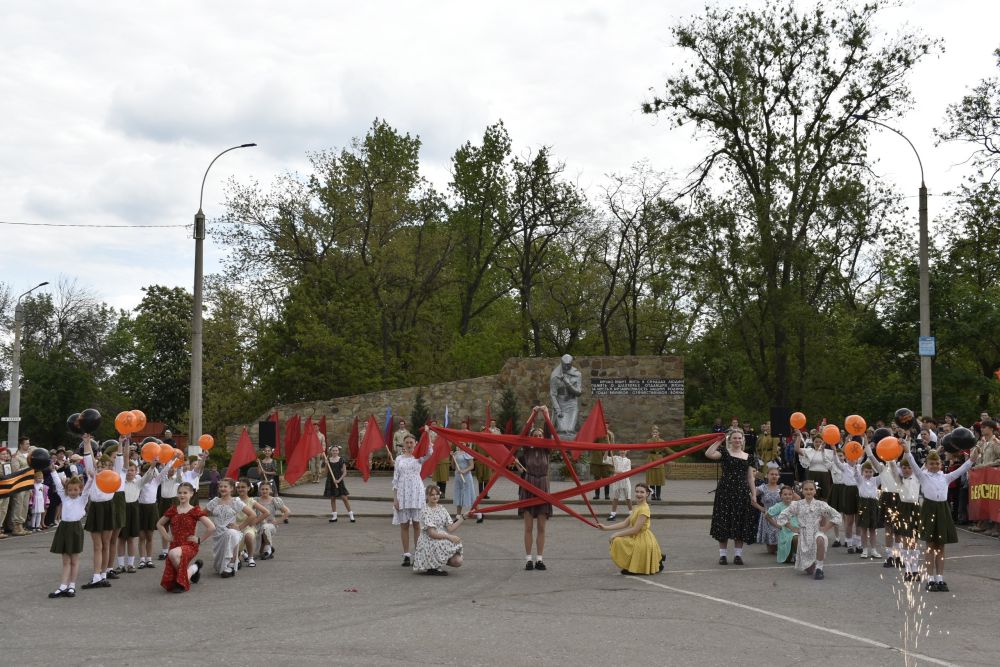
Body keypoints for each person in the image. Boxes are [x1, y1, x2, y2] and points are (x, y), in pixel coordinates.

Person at [903, 439, 978, 592]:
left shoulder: (946, 477)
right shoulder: (923, 476)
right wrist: (906, 451)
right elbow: (913, 464)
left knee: (941, 546)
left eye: (937, 464)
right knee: (930, 546)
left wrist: (972, 459)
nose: (935, 466)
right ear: (928, 465)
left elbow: (962, 469)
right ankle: (930, 578)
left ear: (940, 465)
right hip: (929, 509)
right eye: (931, 464)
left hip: (942, 510)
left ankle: (940, 578)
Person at [705, 430, 757, 565]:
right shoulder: (725, 453)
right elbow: (709, 454)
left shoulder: (749, 456)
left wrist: (754, 494)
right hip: (725, 491)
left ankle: (738, 555)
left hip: (741, 492)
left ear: (743, 440)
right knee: (724, 521)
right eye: (735, 438)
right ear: (730, 440)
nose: (738, 440)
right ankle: (722, 555)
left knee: (740, 522)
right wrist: (719, 441)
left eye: (740, 438)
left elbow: (750, 478)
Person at [775, 480, 842, 580]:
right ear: (802, 491)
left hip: (816, 531)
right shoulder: (797, 505)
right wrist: (792, 528)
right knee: (809, 570)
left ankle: (820, 568)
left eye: (811, 489)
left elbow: (836, 516)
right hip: (804, 535)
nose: (809, 491)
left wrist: (825, 528)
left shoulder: (820, 504)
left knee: (820, 539)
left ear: (815, 491)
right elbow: (782, 517)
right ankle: (810, 565)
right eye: (806, 489)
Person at [80, 434, 123, 589]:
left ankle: (103, 575)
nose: (102, 468)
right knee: (97, 545)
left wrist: (120, 443)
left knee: (106, 544)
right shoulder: (94, 476)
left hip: (108, 508)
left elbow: (119, 462)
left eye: (105, 466)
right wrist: (87, 443)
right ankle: (97, 575)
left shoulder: (115, 475)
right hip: (96, 509)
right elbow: (89, 462)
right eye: (100, 466)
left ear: (110, 467)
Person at [156, 482, 213, 593]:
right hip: (175, 544)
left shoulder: (195, 510)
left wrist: (199, 540)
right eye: (180, 493)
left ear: (191, 494)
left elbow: (211, 527)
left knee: (172, 553)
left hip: (189, 545)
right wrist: (167, 537)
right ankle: (194, 569)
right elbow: (159, 524)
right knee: (172, 576)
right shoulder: (173, 510)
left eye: (185, 493)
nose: (182, 495)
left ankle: (182, 583)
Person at [46, 467, 93, 598]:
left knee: (74, 560)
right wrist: (53, 471)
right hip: (64, 528)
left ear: (80, 490)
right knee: (65, 561)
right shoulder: (64, 497)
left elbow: (88, 488)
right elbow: (58, 485)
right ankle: (62, 586)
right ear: (67, 490)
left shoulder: (82, 499)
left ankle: (72, 586)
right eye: (70, 490)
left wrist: (91, 478)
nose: (72, 492)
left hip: (75, 529)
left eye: (75, 490)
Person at [599, 483, 664, 575]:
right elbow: (625, 523)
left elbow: (635, 529)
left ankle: (656, 558)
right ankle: (654, 558)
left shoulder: (644, 509)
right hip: (635, 536)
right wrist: (605, 528)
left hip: (642, 538)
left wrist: (615, 534)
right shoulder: (637, 507)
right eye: (637, 491)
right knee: (618, 540)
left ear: (647, 494)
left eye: (642, 492)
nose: (639, 494)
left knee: (618, 540)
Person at [517, 407, 552, 571]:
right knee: (528, 527)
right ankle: (528, 559)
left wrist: (545, 414)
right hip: (529, 486)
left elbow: (550, 430)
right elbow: (523, 433)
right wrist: (532, 414)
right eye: (535, 435)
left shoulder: (547, 450)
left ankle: (539, 559)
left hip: (543, 486)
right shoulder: (527, 450)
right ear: (531, 438)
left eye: (540, 436)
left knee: (542, 527)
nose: (538, 438)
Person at [393, 432, 432, 567]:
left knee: (416, 525)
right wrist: (395, 498)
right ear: (404, 444)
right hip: (402, 493)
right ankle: (406, 555)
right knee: (404, 525)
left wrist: (427, 434)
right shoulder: (399, 459)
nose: (409, 445)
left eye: (411, 442)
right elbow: (396, 479)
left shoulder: (419, 457)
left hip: (416, 492)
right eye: (407, 442)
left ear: (415, 444)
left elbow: (430, 452)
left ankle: (418, 554)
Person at [204, 478, 255, 578]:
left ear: (231, 488)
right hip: (218, 534)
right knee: (219, 568)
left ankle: (231, 564)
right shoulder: (215, 501)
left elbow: (252, 514)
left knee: (231, 533)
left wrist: (240, 527)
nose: (222, 488)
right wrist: (210, 525)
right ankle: (227, 565)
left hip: (231, 532)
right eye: (220, 486)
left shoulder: (235, 502)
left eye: (225, 486)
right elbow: (201, 514)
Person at [412, 485, 466, 575]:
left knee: (458, 561)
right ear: (427, 496)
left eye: (437, 494)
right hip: (429, 540)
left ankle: (436, 563)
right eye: (432, 494)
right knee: (441, 543)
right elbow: (432, 534)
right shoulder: (425, 510)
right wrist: (449, 537)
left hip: (440, 538)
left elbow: (450, 527)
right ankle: (432, 567)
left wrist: (463, 517)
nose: (435, 496)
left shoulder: (442, 508)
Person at [236, 478, 270, 568]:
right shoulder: (234, 500)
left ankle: (251, 557)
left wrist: (255, 521)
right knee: (236, 548)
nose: (240, 489)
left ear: (248, 488)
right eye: (238, 487)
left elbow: (266, 512)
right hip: (236, 526)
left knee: (249, 536)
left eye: (243, 487)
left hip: (248, 526)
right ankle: (241, 553)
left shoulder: (251, 501)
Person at [751, 464, 784, 555]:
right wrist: (761, 508)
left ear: (779, 476)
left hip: (781, 516)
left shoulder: (782, 487)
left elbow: (795, 498)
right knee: (771, 551)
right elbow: (751, 499)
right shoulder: (762, 488)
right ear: (767, 475)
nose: (774, 476)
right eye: (772, 474)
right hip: (767, 516)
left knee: (781, 545)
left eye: (776, 474)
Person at [763, 485, 799, 564]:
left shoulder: (796, 504)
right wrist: (777, 525)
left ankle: (798, 556)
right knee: (787, 561)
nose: (787, 496)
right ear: (781, 496)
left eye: (790, 494)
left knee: (797, 537)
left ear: (793, 495)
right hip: (785, 533)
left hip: (797, 531)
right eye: (785, 494)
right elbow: (767, 515)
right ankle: (790, 554)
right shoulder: (779, 506)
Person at [794, 432, 834, 501]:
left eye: (820, 442)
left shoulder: (828, 452)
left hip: (824, 476)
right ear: (813, 442)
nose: (818, 443)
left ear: (823, 442)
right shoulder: (809, 451)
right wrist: (799, 437)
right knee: (812, 496)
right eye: (816, 442)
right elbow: (797, 449)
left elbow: (841, 452)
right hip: (812, 475)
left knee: (825, 496)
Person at [549, 354, 582, 437]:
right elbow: (553, 394)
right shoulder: (555, 375)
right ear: (561, 363)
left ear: (572, 363)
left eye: (569, 365)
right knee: (562, 430)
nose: (567, 367)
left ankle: (572, 449)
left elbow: (578, 392)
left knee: (570, 430)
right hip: (560, 405)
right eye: (565, 365)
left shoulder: (577, 374)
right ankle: (558, 449)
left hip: (572, 404)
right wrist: (558, 410)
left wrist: (567, 383)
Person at [255, 480, 289, 560]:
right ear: (259, 490)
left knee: (265, 528)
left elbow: (287, 511)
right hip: (258, 524)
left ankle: (269, 551)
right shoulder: (256, 500)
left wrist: (277, 521)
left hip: (270, 525)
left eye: (267, 489)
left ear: (270, 490)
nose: (264, 491)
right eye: (262, 489)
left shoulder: (274, 500)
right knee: (260, 552)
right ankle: (268, 546)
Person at [323, 446, 355, 523]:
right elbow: (325, 472)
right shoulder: (328, 460)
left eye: (336, 450)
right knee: (333, 498)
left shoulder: (341, 460)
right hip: (331, 481)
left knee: (344, 498)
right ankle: (334, 516)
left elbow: (345, 472)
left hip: (339, 480)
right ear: (331, 451)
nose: (335, 452)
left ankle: (351, 515)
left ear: (338, 451)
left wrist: (338, 480)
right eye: (333, 450)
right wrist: (326, 464)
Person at [451, 442, 477, 521]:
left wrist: (464, 471)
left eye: (463, 443)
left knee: (471, 494)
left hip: (466, 477)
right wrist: (452, 457)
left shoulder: (468, 453)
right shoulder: (455, 453)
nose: (461, 444)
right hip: (458, 477)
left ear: (466, 444)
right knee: (459, 494)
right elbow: (453, 466)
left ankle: (479, 513)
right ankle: (458, 515)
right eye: (459, 443)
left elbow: (472, 466)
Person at [605, 448, 633, 520]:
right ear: (619, 451)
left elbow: (628, 471)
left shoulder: (628, 460)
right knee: (615, 497)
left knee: (628, 497)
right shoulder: (615, 458)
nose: (622, 451)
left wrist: (618, 472)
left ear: (626, 451)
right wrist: (606, 450)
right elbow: (605, 459)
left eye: (624, 450)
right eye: (621, 450)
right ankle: (613, 514)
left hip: (625, 480)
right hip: (617, 480)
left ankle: (632, 514)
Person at [645, 425, 666, 502]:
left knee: (659, 479)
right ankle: (653, 495)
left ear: (659, 433)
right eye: (653, 432)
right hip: (651, 459)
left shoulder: (662, 441)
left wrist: (676, 453)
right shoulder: (649, 441)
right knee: (652, 480)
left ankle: (658, 495)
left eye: (656, 432)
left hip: (659, 459)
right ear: (651, 433)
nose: (655, 433)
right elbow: (649, 449)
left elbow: (666, 449)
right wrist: (654, 440)